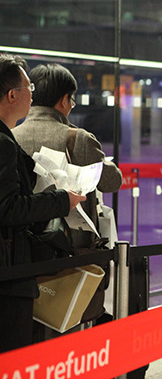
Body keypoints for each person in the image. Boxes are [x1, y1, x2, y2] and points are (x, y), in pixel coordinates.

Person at [0, 54, 86, 353]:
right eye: (29, 88)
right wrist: (63, 200)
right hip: (8, 273)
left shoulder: (9, 137)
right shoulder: (2, 143)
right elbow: (7, 208)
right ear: (13, 94)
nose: (32, 95)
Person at [13, 63, 122, 248]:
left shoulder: (11, 136)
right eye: (72, 99)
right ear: (64, 100)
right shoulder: (78, 138)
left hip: (22, 246)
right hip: (69, 249)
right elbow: (112, 182)